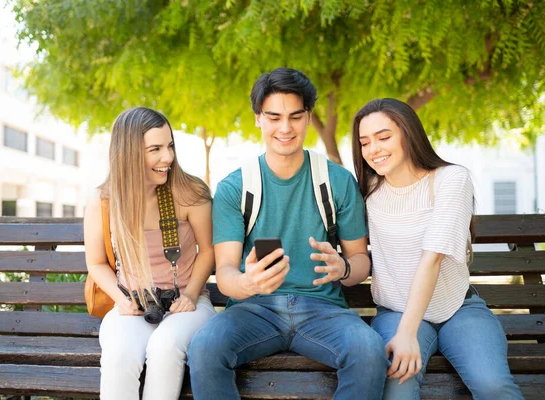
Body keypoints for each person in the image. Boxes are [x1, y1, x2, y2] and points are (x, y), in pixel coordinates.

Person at [188, 68, 388, 400]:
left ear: (308, 117)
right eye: (274, 117)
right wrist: (247, 282)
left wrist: (345, 269)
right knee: (205, 348)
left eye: (295, 117)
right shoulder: (234, 187)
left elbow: (360, 261)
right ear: (258, 119)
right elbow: (224, 272)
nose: (285, 128)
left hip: (323, 309)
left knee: (368, 350)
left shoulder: (337, 182)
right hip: (253, 309)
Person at [352, 98, 524, 399]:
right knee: (396, 386)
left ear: (408, 133)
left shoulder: (451, 179)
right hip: (395, 311)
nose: (373, 149)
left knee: (493, 386)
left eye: (384, 137)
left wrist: (407, 334)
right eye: (365, 142)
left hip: (458, 310)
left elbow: (431, 259)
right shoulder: (368, 193)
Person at [84, 107, 216, 400]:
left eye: (169, 146)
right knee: (119, 355)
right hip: (133, 305)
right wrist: (122, 301)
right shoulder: (104, 201)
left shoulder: (189, 193)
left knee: (165, 347)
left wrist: (190, 295)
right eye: (155, 149)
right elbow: (96, 263)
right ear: (128, 152)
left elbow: (208, 251)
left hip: (187, 303)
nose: (167, 157)